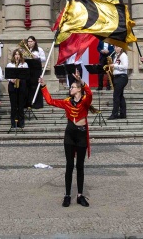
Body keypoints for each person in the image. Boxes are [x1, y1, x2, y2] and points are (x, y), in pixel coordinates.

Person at [40, 72, 93, 208]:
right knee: (69, 165)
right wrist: (44, 86)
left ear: (79, 89)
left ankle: (80, 195)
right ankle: (67, 195)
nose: (70, 89)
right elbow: (50, 101)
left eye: (73, 87)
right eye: (71, 87)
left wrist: (81, 81)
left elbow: (90, 93)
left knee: (80, 166)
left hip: (81, 135)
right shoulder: (67, 102)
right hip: (69, 134)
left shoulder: (85, 101)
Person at [6, 49, 29, 128]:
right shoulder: (10, 65)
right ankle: (13, 123)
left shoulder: (24, 64)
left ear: (20, 56)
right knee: (13, 105)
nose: (17, 56)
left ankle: (21, 122)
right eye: (16, 54)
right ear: (13, 56)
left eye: (18, 54)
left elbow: (26, 75)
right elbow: (7, 76)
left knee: (21, 105)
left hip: (21, 85)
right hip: (12, 86)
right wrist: (11, 79)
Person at [107, 45, 129, 120]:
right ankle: (123, 114)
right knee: (120, 96)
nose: (115, 48)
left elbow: (125, 66)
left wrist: (114, 66)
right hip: (117, 77)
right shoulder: (116, 56)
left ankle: (114, 114)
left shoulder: (123, 55)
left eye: (117, 47)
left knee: (116, 96)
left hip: (121, 77)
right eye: (114, 47)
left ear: (121, 47)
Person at [26, 36, 46, 109]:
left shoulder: (39, 49)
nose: (30, 43)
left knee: (36, 85)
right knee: (28, 85)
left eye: (31, 41)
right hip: (28, 69)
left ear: (34, 42)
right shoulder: (26, 50)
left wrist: (36, 57)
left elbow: (44, 59)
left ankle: (37, 103)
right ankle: (29, 103)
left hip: (36, 70)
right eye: (28, 41)